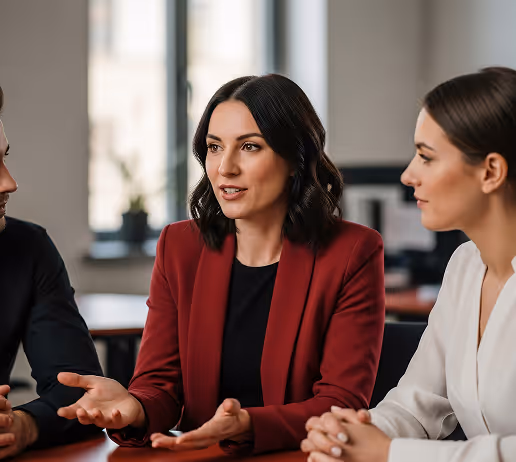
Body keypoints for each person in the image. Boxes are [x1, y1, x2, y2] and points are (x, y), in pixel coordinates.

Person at [56, 74, 385, 454]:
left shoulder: (353, 251)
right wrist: (136, 407)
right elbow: (159, 384)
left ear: (296, 158)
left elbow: (340, 403)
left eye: (249, 146)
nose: (225, 168)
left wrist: (249, 425)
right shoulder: (180, 247)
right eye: (214, 147)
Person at [302, 66, 516, 462]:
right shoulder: (465, 266)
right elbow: (416, 403)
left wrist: (389, 453)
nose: (408, 175)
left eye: (425, 157)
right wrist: (350, 436)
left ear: (491, 172)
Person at [0, 86, 103, 459]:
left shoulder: (28, 248)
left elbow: (81, 389)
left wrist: (21, 428)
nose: (9, 183)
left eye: (5, 158)